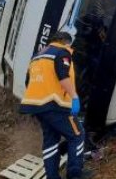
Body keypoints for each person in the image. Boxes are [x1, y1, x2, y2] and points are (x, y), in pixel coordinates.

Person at [20, 32, 89, 179]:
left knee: (51, 140)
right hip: (55, 104)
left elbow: (28, 82)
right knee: (77, 135)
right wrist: (74, 97)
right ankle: (75, 174)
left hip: (36, 106)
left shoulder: (37, 57)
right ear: (66, 42)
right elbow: (62, 75)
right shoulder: (62, 52)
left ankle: (52, 177)